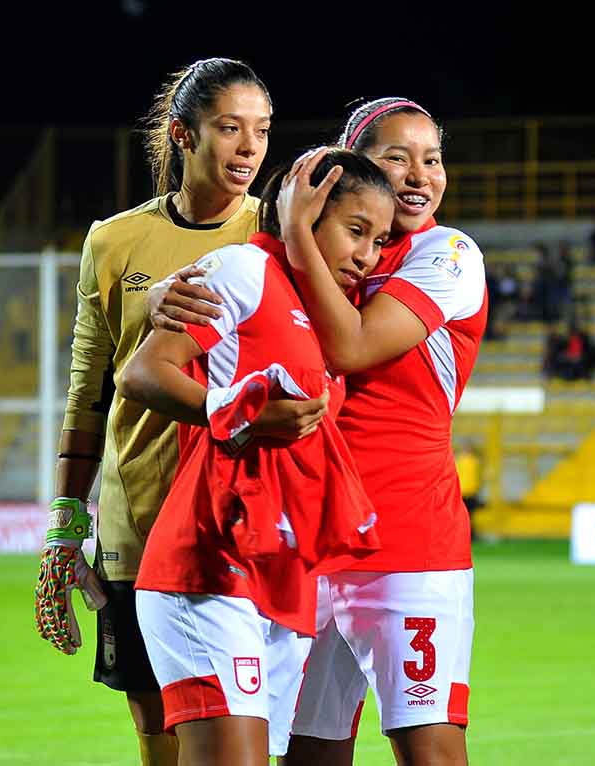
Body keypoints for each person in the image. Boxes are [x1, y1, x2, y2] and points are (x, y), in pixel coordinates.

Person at [150, 99, 487, 766]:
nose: (418, 174)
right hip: (306, 540)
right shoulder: (334, 248)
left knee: (430, 750)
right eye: (396, 157)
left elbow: (353, 347)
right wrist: (164, 294)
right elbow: (242, 278)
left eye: (433, 158)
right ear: (348, 170)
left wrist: (302, 235)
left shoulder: (446, 254)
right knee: (309, 752)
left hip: (409, 544)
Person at [32, 57, 275, 766]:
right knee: (157, 733)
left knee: (254, 726)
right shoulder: (114, 241)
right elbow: (88, 392)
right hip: (139, 514)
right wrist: (63, 528)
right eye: (228, 128)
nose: (248, 148)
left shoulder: (283, 236)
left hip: (243, 519)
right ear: (182, 135)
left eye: (260, 130)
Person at [120, 150, 392, 763]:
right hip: (211, 563)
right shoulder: (245, 268)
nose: (367, 257)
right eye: (356, 231)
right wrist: (239, 414)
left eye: (379, 240)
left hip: (284, 578)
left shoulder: (334, 319)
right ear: (304, 213)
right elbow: (143, 373)